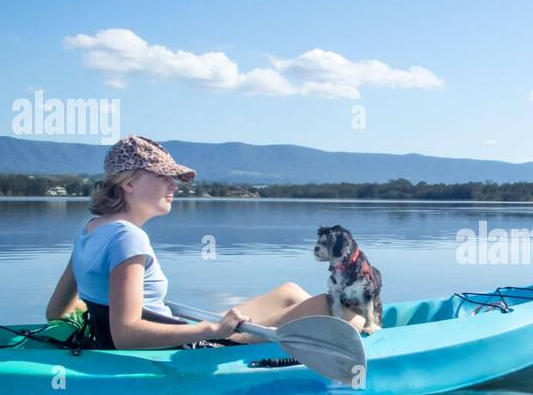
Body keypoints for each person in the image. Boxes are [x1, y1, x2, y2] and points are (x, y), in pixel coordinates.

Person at [46, 134, 363, 349]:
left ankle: (353, 327)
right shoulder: (128, 238)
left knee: (289, 292)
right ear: (128, 183)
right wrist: (213, 330)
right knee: (327, 304)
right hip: (190, 348)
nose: (173, 184)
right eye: (162, 176)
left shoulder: (90, 229)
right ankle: (366, 336)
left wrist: (95, 312)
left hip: (165, 331)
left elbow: (55, 311)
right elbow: (126, 334)